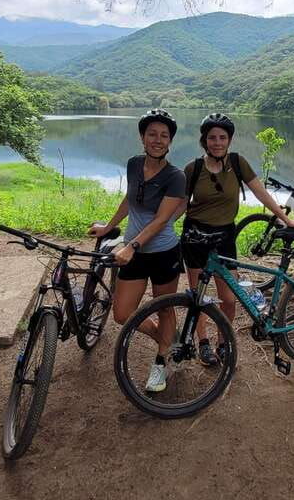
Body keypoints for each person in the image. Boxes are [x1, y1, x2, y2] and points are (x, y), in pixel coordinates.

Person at [179, 113, 294, 366]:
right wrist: (156, 229)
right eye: (212, 138)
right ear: (204, 140)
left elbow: (261, 192)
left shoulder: (237, 163)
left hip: (224, 237)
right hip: (194, 237)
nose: (217, 142)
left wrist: (285, 219)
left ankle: (223, 342)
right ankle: (203, 342)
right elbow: (180, 206)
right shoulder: (193, 168)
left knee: (228, 297)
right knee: (198, 296)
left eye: (222, 137)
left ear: (229, 140)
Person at [89, 109, 185, 393]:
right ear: (142, 138)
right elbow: (130, 199)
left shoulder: (175, 177)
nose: (157, 140)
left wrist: (131, 245)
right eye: (152, 134)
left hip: (163, 252)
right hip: (133, 252)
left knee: (165, 308)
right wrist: (109, 226)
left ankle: (161, 364)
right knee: (122, 314)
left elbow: (161, 220)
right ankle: (168, 342)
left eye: (164, 136)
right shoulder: (133, 164)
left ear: (170, 141)